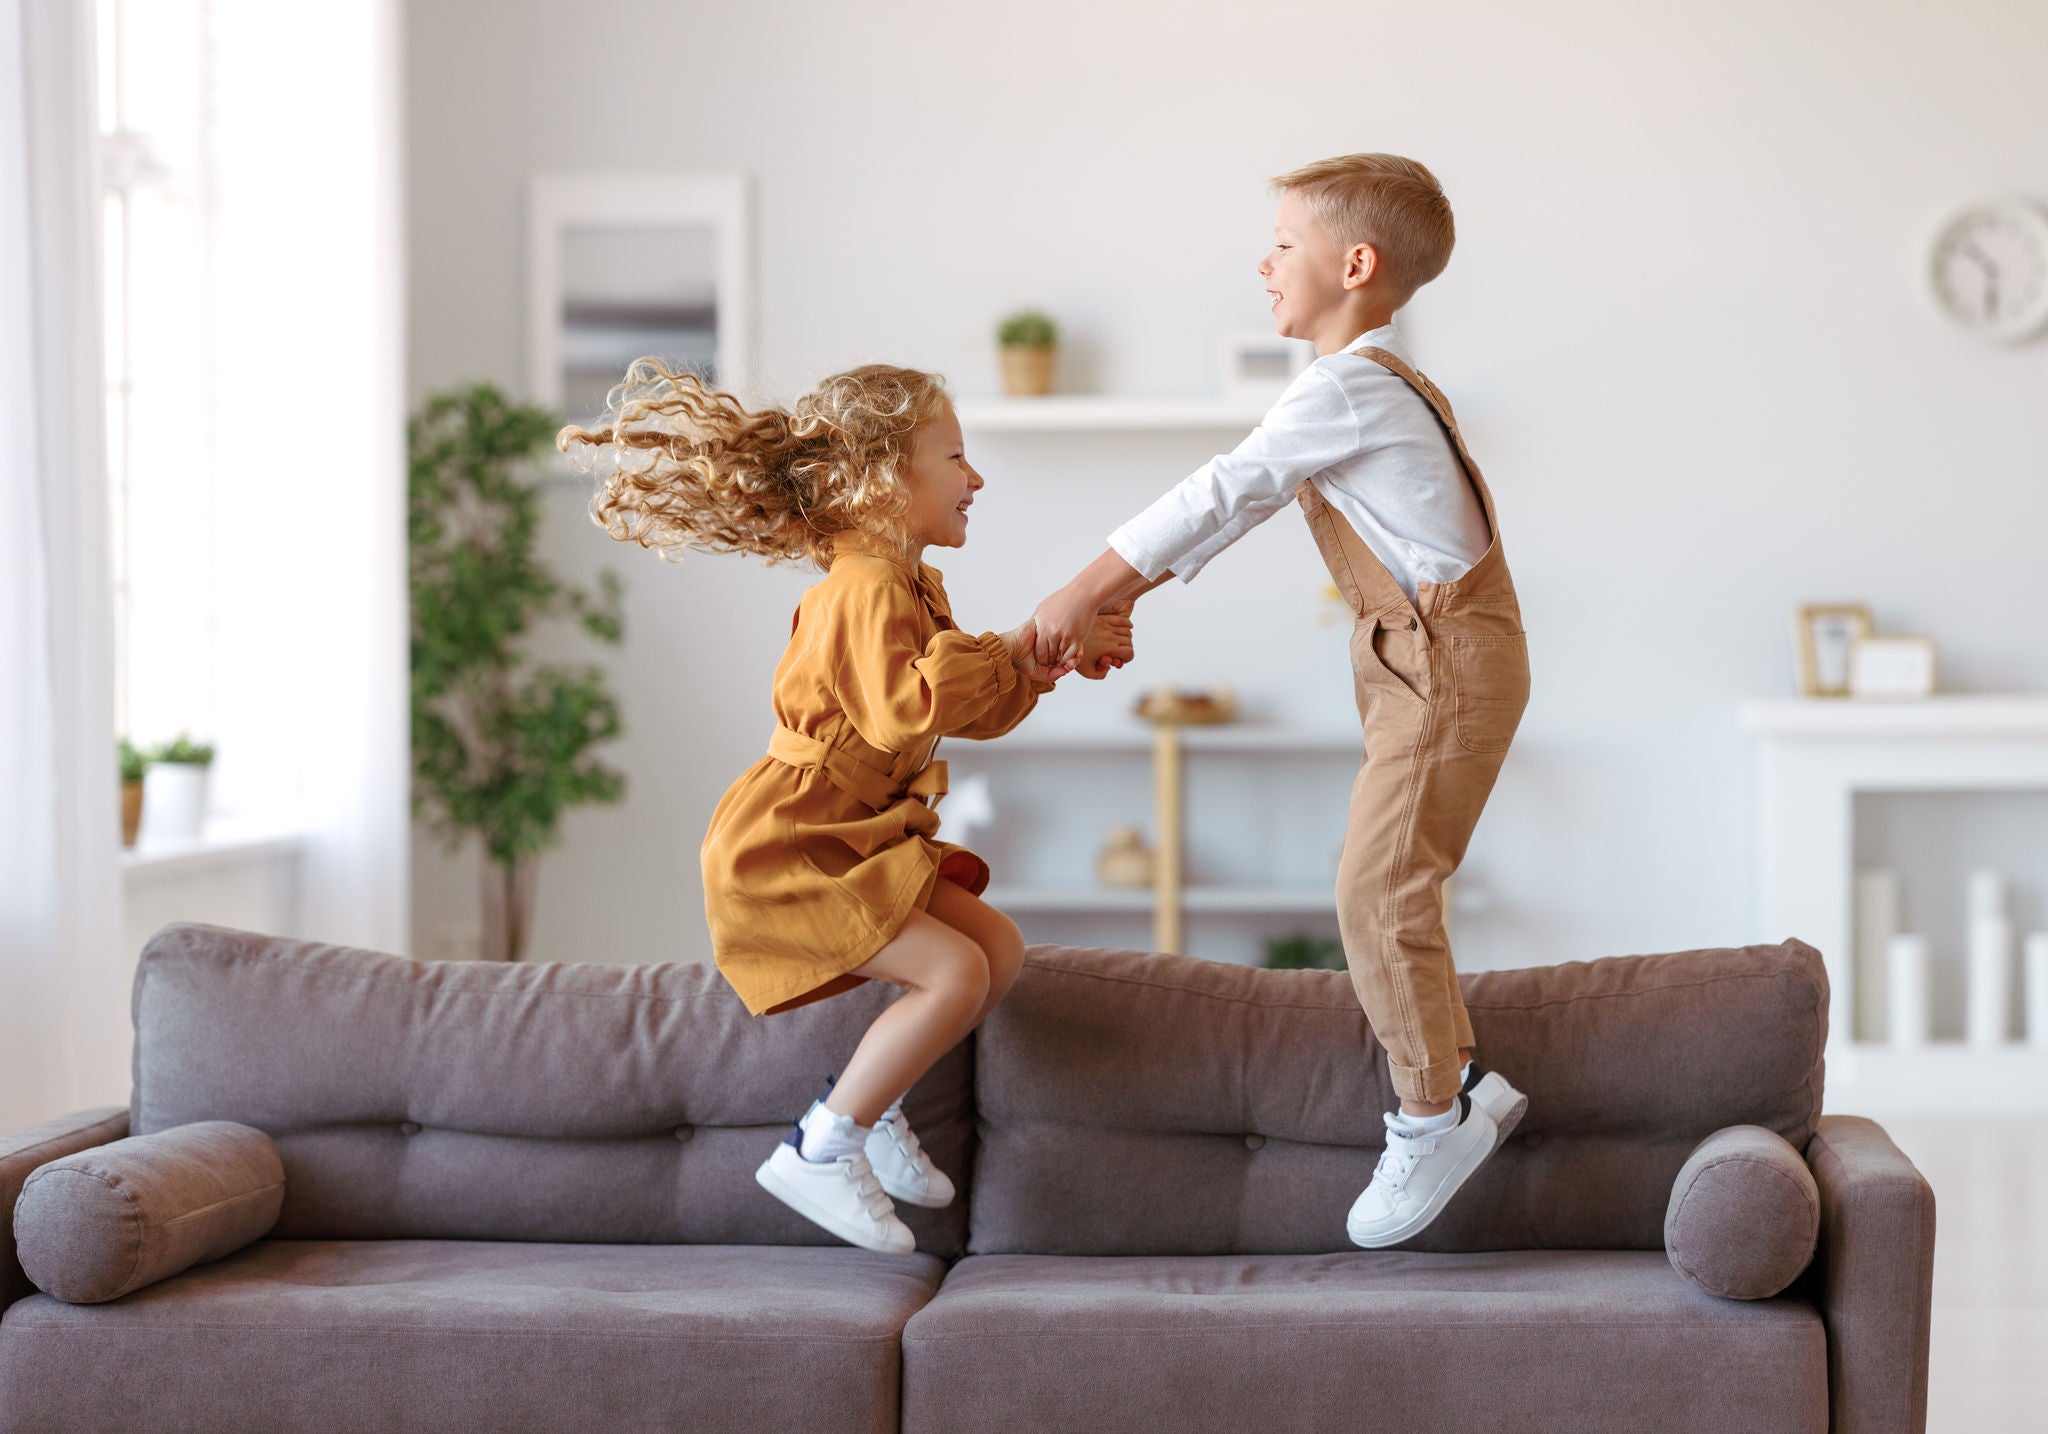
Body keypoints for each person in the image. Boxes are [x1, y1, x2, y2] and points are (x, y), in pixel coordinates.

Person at [1030, 153, 1530, 1248]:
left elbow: (1227, 486)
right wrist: (1126, 605)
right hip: (1424, 658)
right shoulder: (1360, 386)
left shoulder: (1348, 384)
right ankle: (1459, 1084)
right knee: (1393, 881)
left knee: (1375, 887)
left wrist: (1084, 589)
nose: (1261, 263)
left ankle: (1428, 1114)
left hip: (1439, 660)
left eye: (1282, 245)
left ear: (1354, 264)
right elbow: (1235, 507)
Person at [562, 361, 1132, 1254]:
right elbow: (907, 704)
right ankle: (822, 1145)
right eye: (955, 457)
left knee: (997, 950)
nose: (975, 479)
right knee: (955, 973)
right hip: (793, 841)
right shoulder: (864, 589)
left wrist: (1042, 659)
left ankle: (876, 1099)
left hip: (849, 830)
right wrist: (1026, 641)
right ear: (882, 479)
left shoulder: (906, 585)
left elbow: (962, 706)